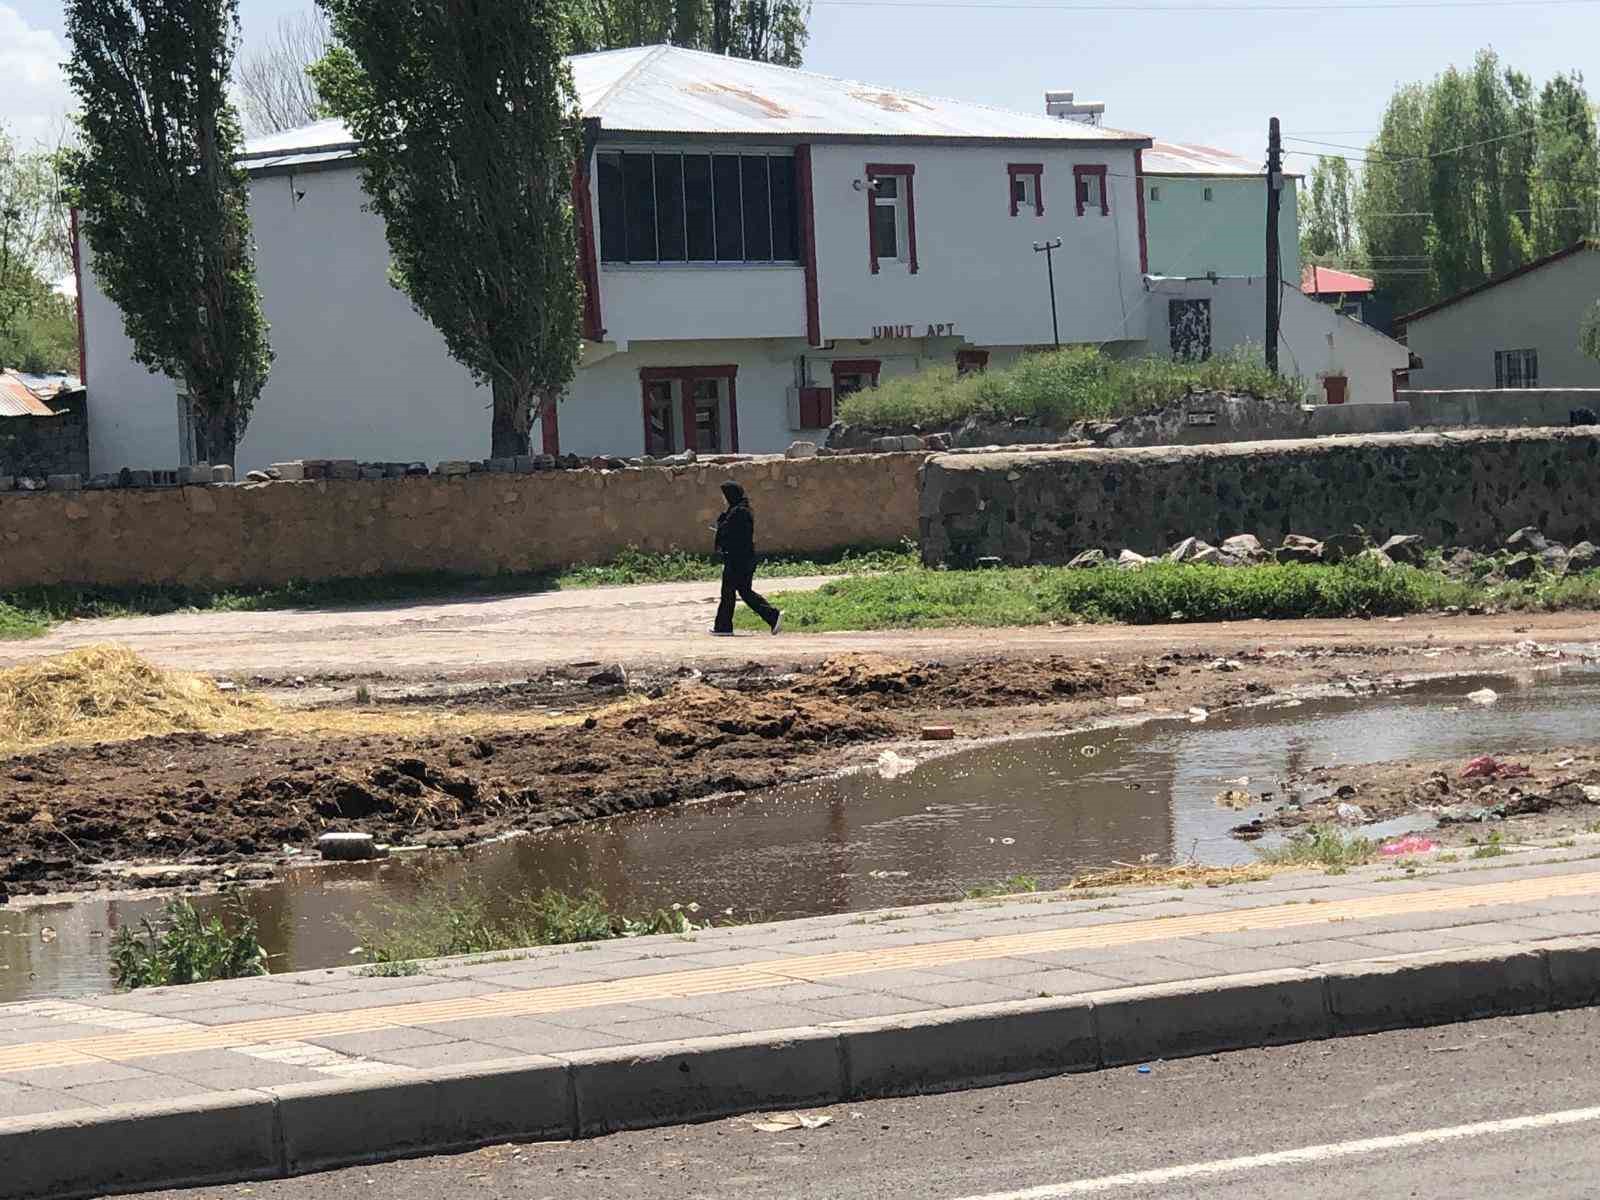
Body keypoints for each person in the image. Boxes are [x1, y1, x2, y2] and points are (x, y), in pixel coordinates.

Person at [711, 481, 782, 636]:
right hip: (739, 559)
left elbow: (731, 534)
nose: (723, 499)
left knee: (734, 592)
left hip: (739, 560)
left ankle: (771, 615)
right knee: (738, 592)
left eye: (724, 495)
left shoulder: (739, 513)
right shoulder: (736, 511)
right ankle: (724, 626)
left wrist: (721, 526)